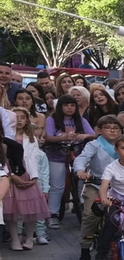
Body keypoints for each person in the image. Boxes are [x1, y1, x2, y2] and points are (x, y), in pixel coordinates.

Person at [73, 116, 122, 260]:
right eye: (108, 127)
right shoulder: (94, 145)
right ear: (99, 130)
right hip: (96, 184)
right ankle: (85, 250)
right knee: (90, 214)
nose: (112, 130)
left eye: (116, 127)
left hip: (119, 186)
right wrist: (80, 170)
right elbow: (82, 158)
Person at [43, 96, 91, 227]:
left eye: (72, 105)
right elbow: (47, 137)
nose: (70, 108)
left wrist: (84, 136)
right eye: (66, 105)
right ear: (60, 107)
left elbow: (92, 135)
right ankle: (53, 214)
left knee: (82, 184)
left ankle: (84, 211)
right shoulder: (51, 119)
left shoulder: (80, 120)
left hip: (77, 155)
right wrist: (62, 138)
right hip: (56, 155)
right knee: (57, 185)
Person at [4, 114, 50, 250]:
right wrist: (11, 175)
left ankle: (30, 238)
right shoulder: (6, 138)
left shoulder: (31, 139)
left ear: (27, 120)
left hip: (27, 173)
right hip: (10, 175)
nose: (19, 120)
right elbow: (4, 159)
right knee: (11, 209)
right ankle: (15, 239)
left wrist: (34, 176)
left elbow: (34, 158)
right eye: (16, 117)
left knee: (31, 209)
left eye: (22, 117)